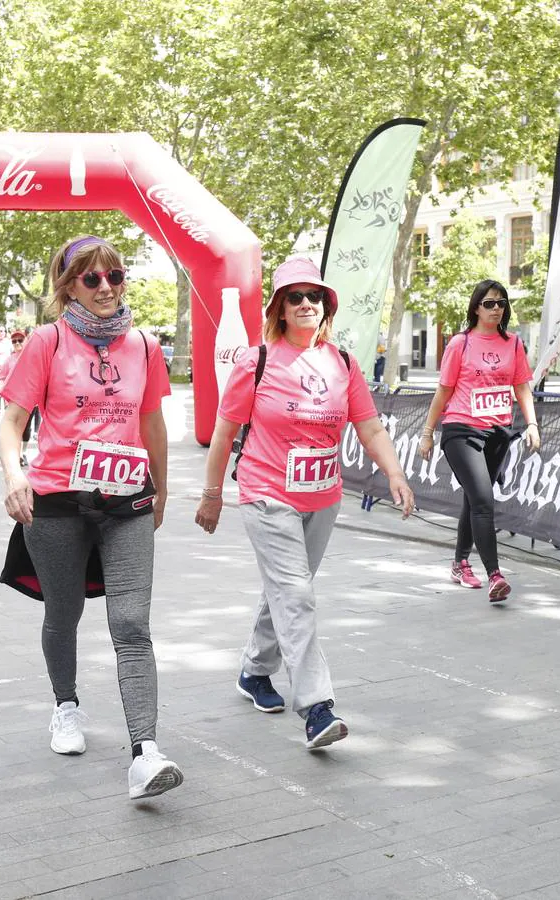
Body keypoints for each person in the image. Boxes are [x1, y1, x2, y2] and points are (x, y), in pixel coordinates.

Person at [195, 257, 415, 750]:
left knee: (289, 590)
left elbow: (370, 426)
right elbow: (223, 434)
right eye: (294, 296)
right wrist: (213, 496)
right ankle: (317, 708)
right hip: (266, 493)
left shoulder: (342, 364)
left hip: (323, 495)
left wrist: (394, 474)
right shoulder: (258, 362)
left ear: (326, 306)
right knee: (296, 594)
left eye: (314, 296)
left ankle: (254, 671)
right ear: (278, 306)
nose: (305, 304)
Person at [0, 234, 183, 800]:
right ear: (68, 286)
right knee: (65, 610)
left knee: (132, 624)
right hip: (56, 503)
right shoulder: (47, 342)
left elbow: (152, 423)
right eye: (92, 278)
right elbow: (12, 424)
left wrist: (163, 487)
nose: (107, 288)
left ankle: (145, 752)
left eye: (116, 276)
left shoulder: (146, 345)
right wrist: (15, 475)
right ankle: (66, 706)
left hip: (126, 501)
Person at [418, 279, 541, 602]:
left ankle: (460, 563)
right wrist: (428, 433)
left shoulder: (514, 344)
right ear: (476, 308)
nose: (496, 308)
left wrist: (532, 424)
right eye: (489, 303)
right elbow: (443, 390)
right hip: (461, 430)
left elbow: (522, 387)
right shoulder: (461, 343)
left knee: (474, 500)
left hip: (497, 433)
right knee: (484, 502)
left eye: (501, 303)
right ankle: (495, 575)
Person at [0, 329, 37, 451]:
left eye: (20, 340)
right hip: (13, 400)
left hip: (30, 399)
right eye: (14, 341)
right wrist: (1, 391)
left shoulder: (33, 357)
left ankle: (23, 452)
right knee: (14, 427)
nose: (17, 343)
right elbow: (2, 378)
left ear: (26, 341)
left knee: (26, 428)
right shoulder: (9, 360)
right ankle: (16, 454)